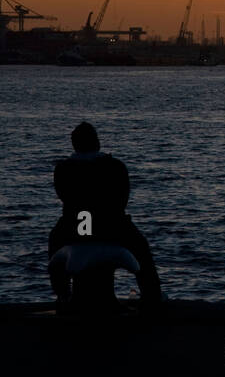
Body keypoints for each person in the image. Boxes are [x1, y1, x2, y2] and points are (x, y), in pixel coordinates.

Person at [47, 122, 163, 305]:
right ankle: (152, 295)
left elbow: (64, 197)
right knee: (141, 249)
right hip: (112, 227)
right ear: (97, 142)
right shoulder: (116, 166)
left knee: (54, 241)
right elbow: (122, 200)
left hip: (75, 227)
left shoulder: (63, 169)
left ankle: (62, 293)